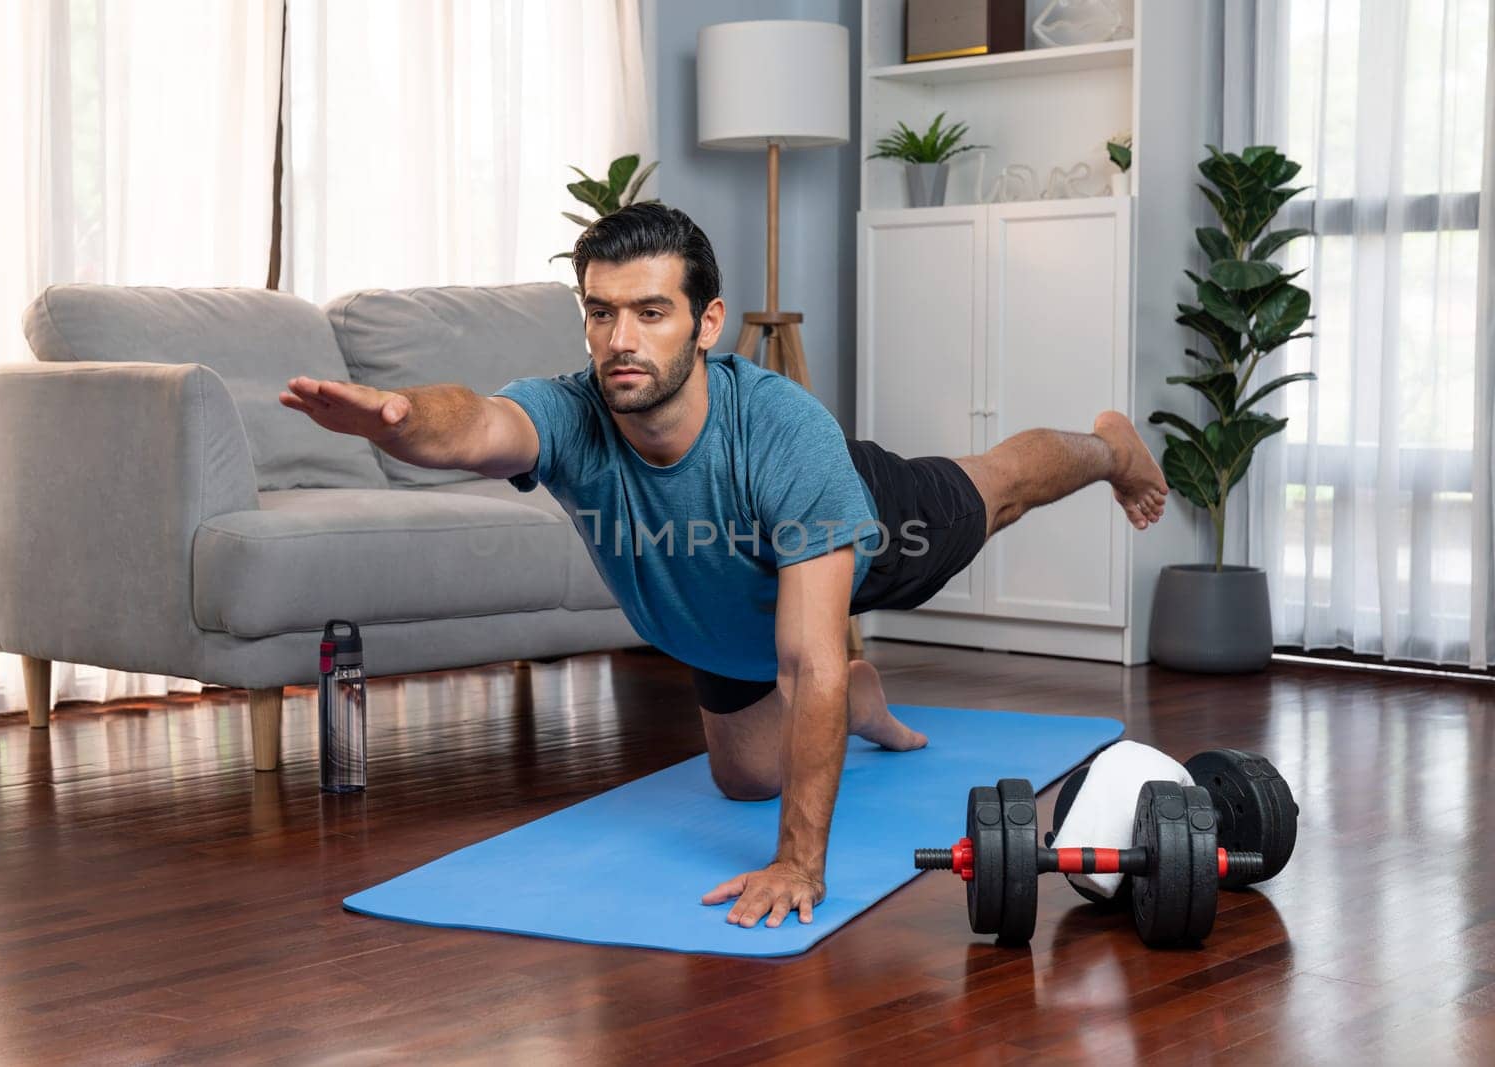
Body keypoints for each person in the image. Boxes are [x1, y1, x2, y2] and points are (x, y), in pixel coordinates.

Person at [280, 202, 1168, 932]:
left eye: (650, 312)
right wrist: (399, 419)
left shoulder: (785, 435)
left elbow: (806, 661)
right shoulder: (570, 412)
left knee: (995, 488)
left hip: (850, 530)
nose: (620, 338)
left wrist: (797, 863)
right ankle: (868, 703)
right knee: (744, 778)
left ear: (706, 323)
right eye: (601, 312)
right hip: (718, 614)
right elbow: (475, 423)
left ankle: (1105, 448)